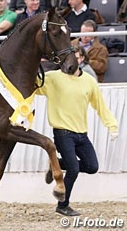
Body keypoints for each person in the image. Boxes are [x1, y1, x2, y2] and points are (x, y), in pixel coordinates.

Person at [36, 65, 119, 216]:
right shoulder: (53, 77)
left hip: (82, 134)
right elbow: (34, 86)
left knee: (92, 166)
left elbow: (100, 106)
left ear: (81, 59)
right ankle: (62, 205)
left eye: (78, 56)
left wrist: (111, 125)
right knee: (73, 169)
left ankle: (57, 164)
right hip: (63, 133)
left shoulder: (89, 81)